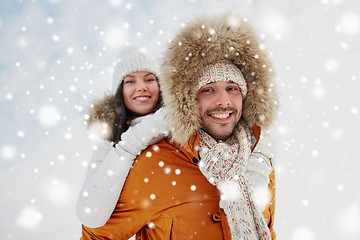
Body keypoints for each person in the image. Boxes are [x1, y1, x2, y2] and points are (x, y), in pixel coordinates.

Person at [81, 14, 278, 240]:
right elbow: (95, 234)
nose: (224, 101)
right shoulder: (153, 165)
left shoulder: (257, 159)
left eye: (232, 88)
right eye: (208, 89)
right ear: (188, 100)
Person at [76, 48, 168, 228]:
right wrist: (137, 138)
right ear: (120, 92)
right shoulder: (109, 142)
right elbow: (90, 213)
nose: (142, 86)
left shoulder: (182, 127)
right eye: (130, 81)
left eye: (149, 79)